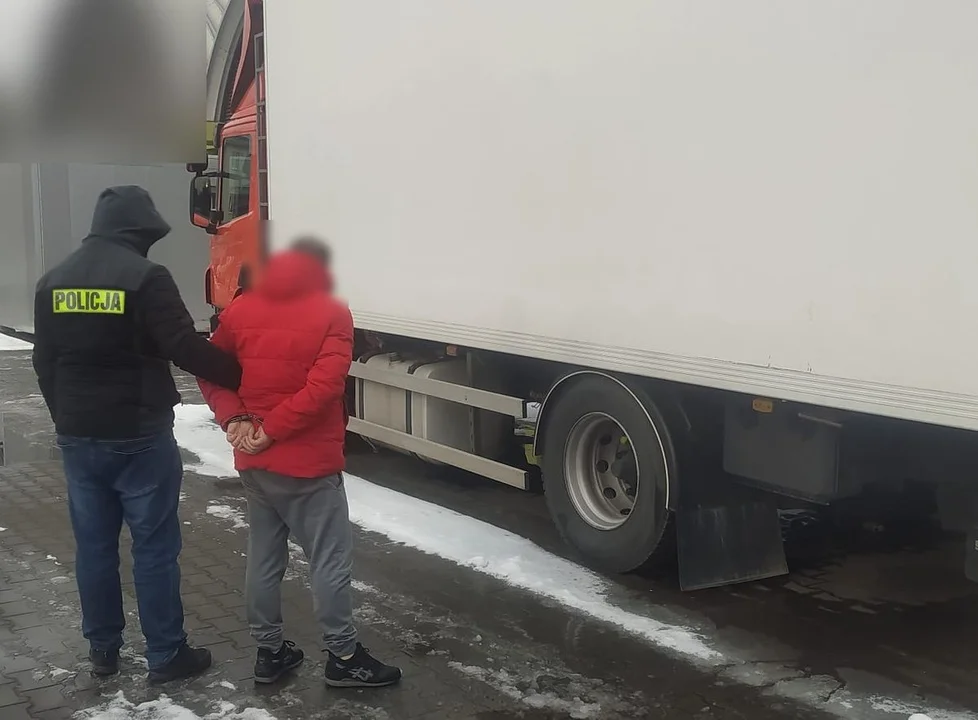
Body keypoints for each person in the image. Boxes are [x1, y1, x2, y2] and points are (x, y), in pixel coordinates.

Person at [31, 185, 243, 684]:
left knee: (94, 547)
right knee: (153, 547)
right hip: (139, 434)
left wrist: (66, 417)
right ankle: (166, 655)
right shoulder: (146, 277)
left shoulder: (53, 281)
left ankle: (103, 650)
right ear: (138, 230)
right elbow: (182, 345)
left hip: (79, 436)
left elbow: (44, 362)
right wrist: (240, 374)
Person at [198, 237, 402, 688]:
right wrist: (272, 429)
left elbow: (209, 370)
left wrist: (236, 420)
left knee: (264, 555)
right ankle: (343, 656)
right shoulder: (332, 312)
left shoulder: (240, 310)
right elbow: (324, 388)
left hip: (254, 461)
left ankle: (269, 652)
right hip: (307, 463)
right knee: (329, 559)